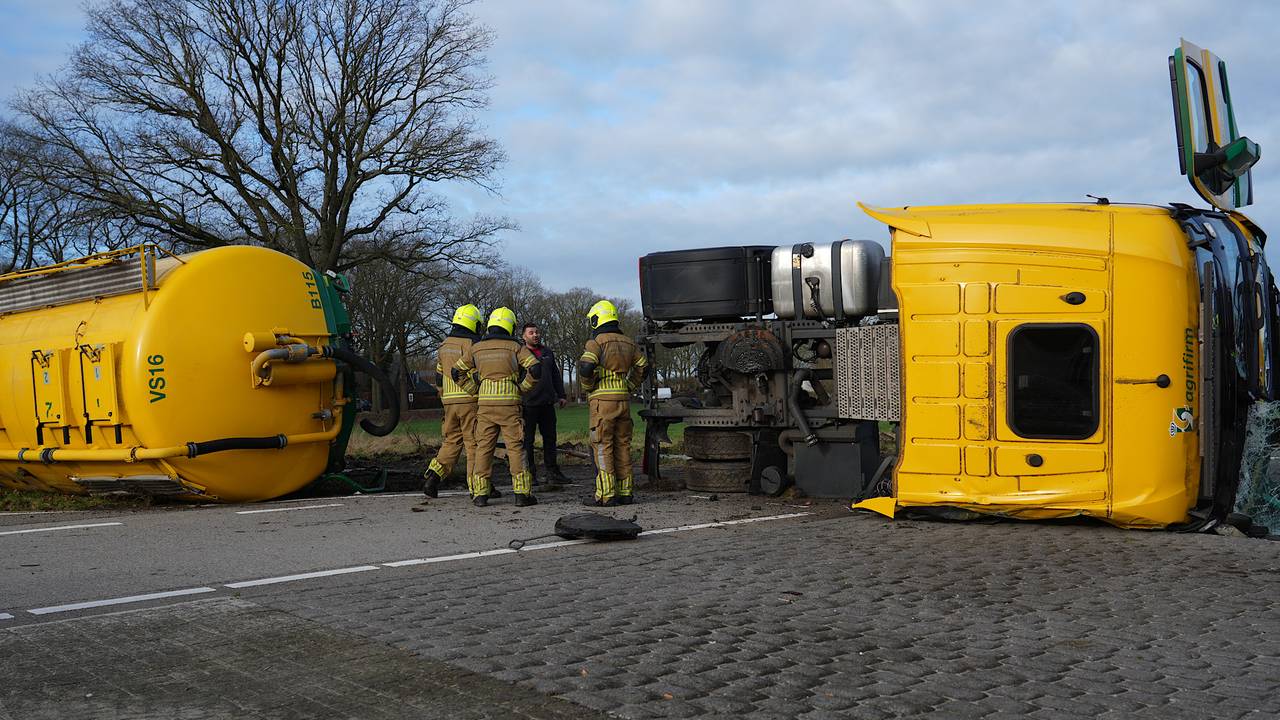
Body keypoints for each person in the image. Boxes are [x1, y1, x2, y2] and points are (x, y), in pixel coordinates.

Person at [452, 307, 541, 507]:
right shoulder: (515, 347)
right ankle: (521, 494)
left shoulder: (476, 348)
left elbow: (456, 371)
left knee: (483, 448)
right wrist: (521, 388)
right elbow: (535, 368)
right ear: (510, 326)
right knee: (516, 448)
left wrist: (475, 389)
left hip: (485, 406)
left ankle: (481, 495)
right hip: (509, 405)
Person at [577, 300, 647, 506]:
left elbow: (586, 367)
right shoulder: (628, 342)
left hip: (603, 403)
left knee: (602, 446)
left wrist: (588, 386)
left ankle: (606, 495)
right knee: (623, 445)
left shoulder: (596, 342)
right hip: (623, 401)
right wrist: (629, 386)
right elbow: (644, 367)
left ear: (596, 320)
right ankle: (626, 492)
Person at [422, 304, 487, 499]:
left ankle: (433, 477)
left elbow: (439, 376)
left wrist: (444, 396)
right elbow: (477, 374)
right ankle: (477, 488)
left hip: (449, 403)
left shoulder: (444, 345)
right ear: (472, 323)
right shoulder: (473, 344)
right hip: (469, 400)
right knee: (474, 444)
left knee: (451, 441)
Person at [519, 322, 569, 486]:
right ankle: (530, 474)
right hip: (528, 404)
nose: (535, 335)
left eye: (537, 332)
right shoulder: (520, 353)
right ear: (524, 336)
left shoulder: (547, 352)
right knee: (528, 441)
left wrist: (561, 394)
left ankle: (552, 472)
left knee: (550, 439)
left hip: (547, 403)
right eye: (531, 332)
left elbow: (555, 374)